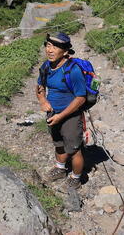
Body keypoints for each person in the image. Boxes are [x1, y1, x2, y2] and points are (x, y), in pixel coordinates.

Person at [36, 32, 87, 190]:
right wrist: (43, 101)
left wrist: (61, 116)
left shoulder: (73, 70)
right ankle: (60, 168)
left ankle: (76, 178)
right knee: (58, 144)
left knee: (74, 149)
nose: (50, 50)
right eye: (48, 45)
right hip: (53, 113)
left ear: (65, 52)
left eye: (55, 47)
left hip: (70, 115)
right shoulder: (46, 66)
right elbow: (39, 87)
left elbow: (81, 98)